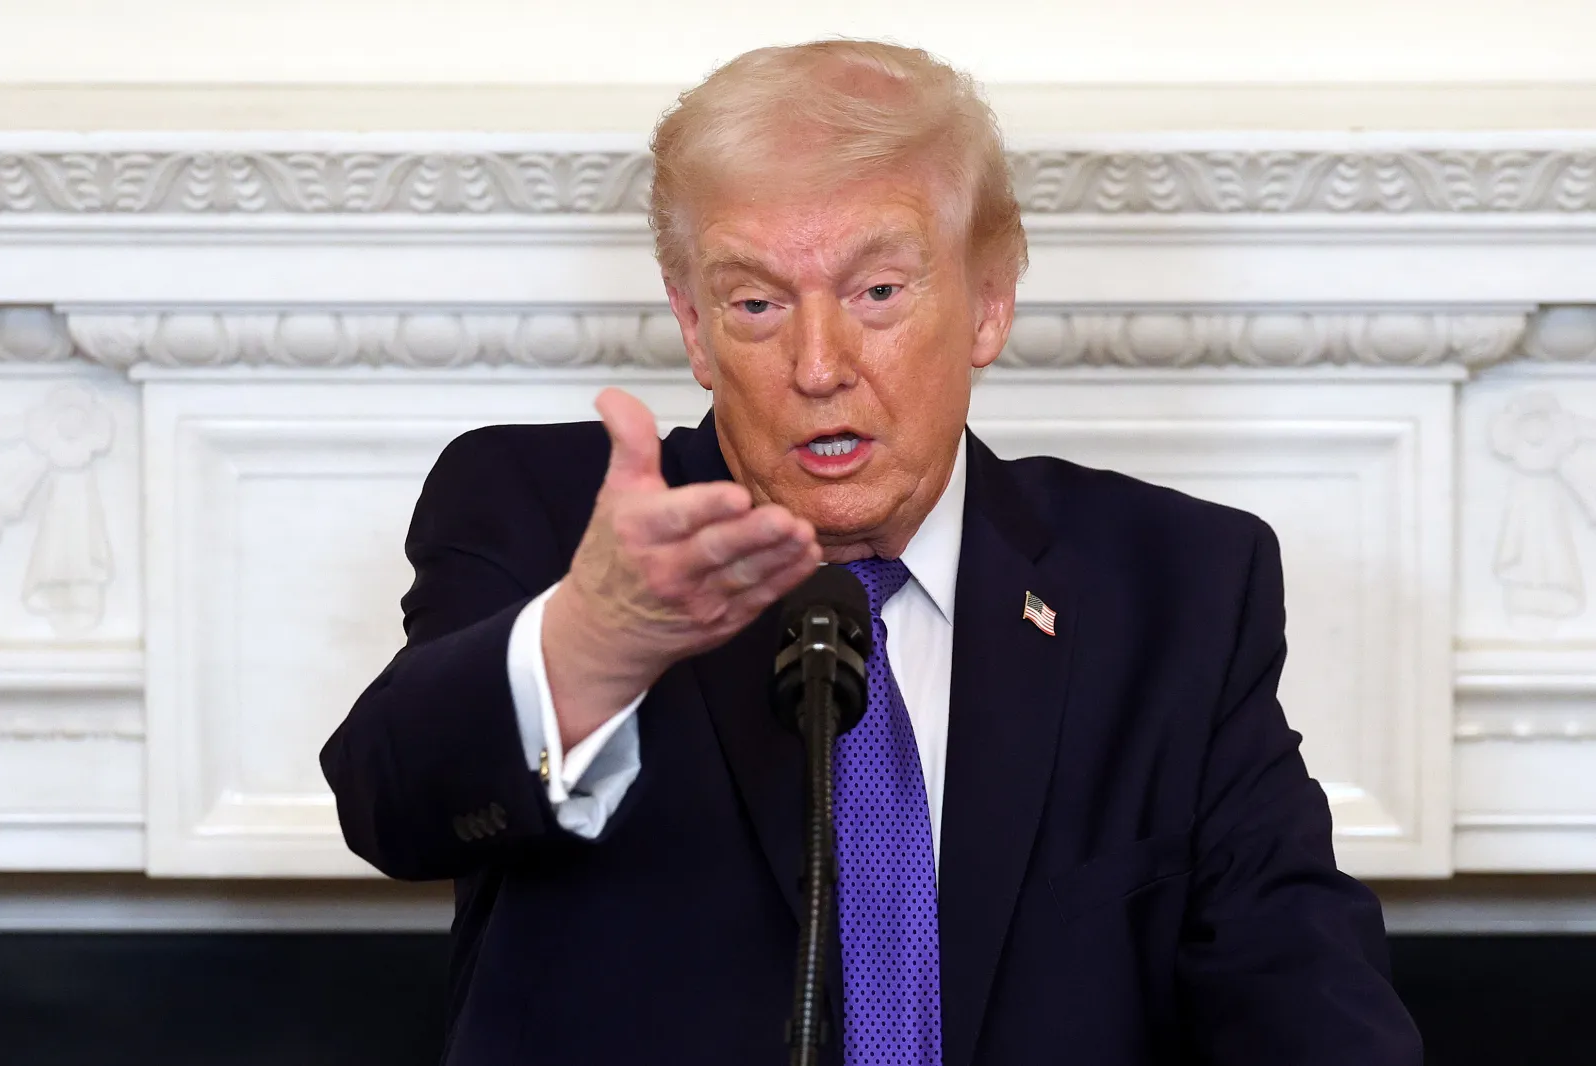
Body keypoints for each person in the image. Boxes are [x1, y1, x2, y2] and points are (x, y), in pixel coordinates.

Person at [321, 39, 1422, 1066]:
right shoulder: (550, 515)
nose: (817, 363)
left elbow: (1302, 992)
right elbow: (394, 806)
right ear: (695, 327)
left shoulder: (1175, 586)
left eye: (878, 292)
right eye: (754, 301)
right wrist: (595, 643)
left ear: (989, 303)